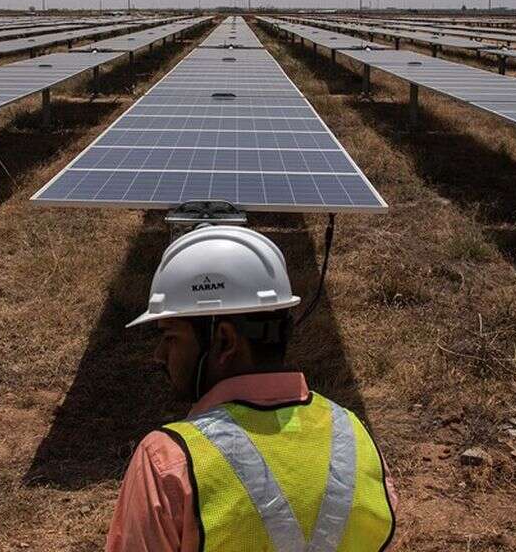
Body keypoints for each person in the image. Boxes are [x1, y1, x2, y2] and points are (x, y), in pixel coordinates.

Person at [106, 225, 396, 551]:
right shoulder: (354, 438)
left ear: (225, 340)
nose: (159, 355)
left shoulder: (167, 460)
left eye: (171, 336)